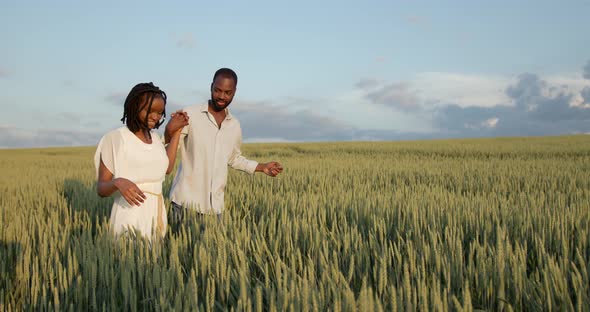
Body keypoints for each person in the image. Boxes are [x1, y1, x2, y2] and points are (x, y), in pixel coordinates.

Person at [165, 68, 283, 227]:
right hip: (184, 205)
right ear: (211, 86)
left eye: (227, 92)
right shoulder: (190, 114)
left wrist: (262, 167)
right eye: (217, 90)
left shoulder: (234, 125)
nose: (221, 96)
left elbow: (233, 158)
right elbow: (167, 148)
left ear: (234, 92)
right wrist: (169, 130)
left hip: (215, 210)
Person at [94, 82, 189, 240]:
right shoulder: (116, 138)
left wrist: (177, 130)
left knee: (152, 262)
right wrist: (118, 182)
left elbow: (167, 168)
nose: (155, 116)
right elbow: (101, 188)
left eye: (159, 112)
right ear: (134, 106)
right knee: (128, 260)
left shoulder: (155, 139)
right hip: (129, 214)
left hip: (156, 213)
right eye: (149, 110)